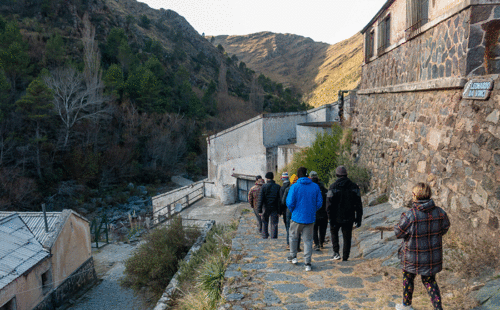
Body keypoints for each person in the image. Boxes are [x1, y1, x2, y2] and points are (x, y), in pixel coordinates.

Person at [394, 183, 450, 310]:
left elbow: (398, 232)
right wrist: (434, 236)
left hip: (412, 256)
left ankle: (406, 306)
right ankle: (438, 308)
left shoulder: (410, 215)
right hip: (431, 256)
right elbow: (445, 227)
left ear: (416, 195)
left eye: (413, 194)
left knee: (408, 279)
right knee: (430, 282)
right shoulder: (440, 212)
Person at [286, 167, 322, 272]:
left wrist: (294, 211)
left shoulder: (294, 186)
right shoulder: (315, 186)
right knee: (308, 241)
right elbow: (319, 202)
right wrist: (312, 210)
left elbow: (289, 202)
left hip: (296, 217)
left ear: (298, 175)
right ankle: (307, 263)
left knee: (293, 237)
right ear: (307, 175)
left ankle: (293, 257)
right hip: (310, 218)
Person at [326, 165, 363, 261]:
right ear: (346, 174)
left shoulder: (333, 187)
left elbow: (329, 204)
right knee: (347, 237)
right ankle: (345, 257)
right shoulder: (354, 187)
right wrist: (358, 218)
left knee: (334, 234)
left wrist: (330, 217)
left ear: (337, 175)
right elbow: (359, 204)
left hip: (335, 216)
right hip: (349, 217)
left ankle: (336, 253)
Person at [257, 172, 281, 239]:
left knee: (264, 221)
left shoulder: (263, 187)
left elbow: (260, 199)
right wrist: (279, 211)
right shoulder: (277, 186)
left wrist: (259, 210)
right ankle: (274, 236)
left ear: (266, 178)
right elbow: (279, 200)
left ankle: (265, 235)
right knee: (274, 223)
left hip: (266, 207)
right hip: (275, 207)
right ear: (273, 177)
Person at [310, 171, 328, 251]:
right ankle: (321, 242)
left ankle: (316, 244)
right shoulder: (325, 190)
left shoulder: (310, 191)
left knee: (314, 229)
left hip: (314, 212)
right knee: (323, 229)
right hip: (324, 212)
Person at [282, 174, 300, 251]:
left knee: (289, 228)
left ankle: (289, 244)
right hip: (298, 211)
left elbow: (283, 201)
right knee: (298, 229)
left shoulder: (288, 189)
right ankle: (297, 246)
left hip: (289, 211)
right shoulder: (300, 189)